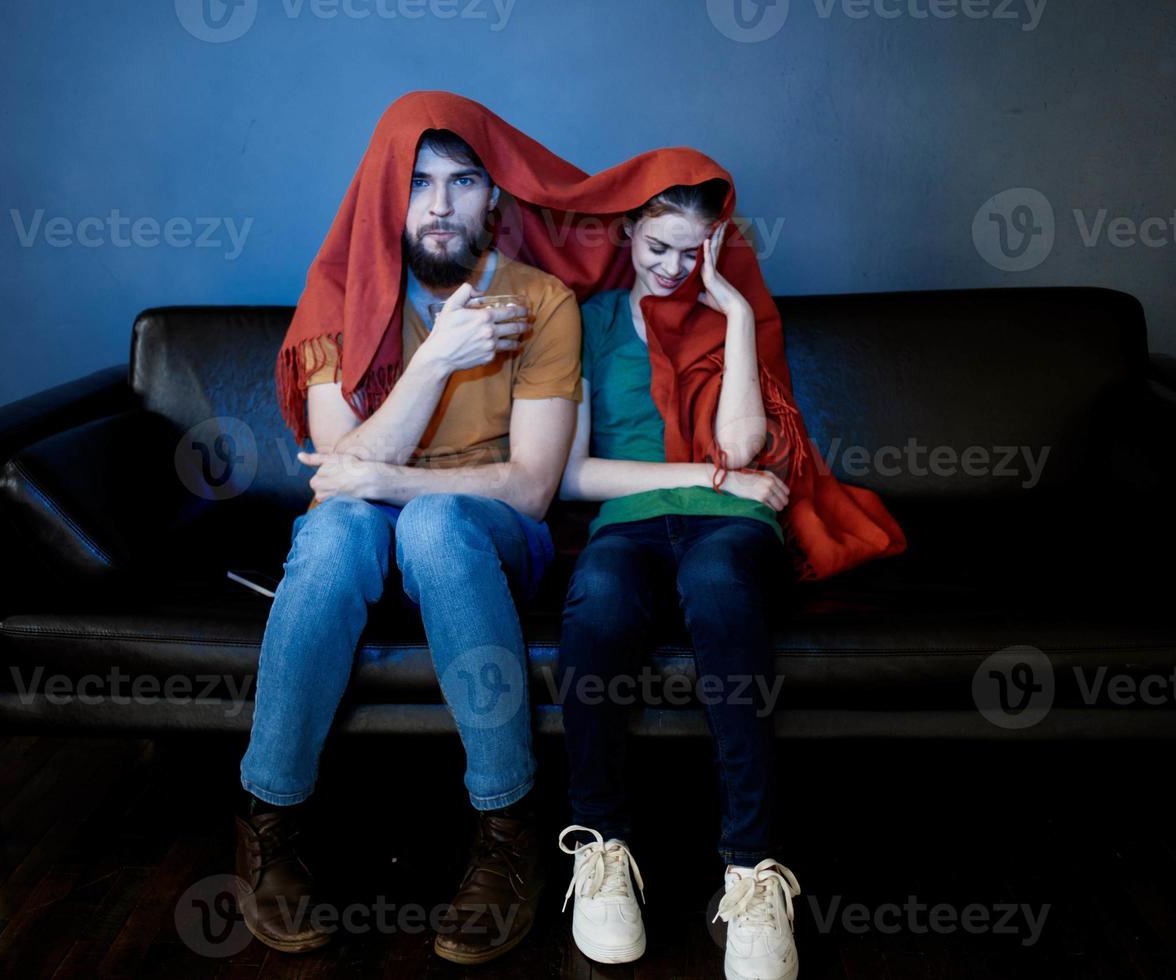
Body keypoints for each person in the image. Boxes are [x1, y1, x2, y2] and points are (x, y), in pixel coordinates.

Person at [236, 126, 582, 964]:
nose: (438, 206)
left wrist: (388, 482)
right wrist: (435, 365)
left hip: (488, 534)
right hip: (361, 529)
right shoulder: (338, 299)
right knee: (335, 534)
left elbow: (534, 487)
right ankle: (269, 822)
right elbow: (333, 483)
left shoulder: (541, 301)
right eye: (419, 183)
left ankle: (506, 829)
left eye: (462, 183)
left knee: (429, 523)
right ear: (388, 195)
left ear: (493, 198)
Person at [554, 180, 803, 980]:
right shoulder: (588, 322)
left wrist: (731, 312)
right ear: (627, 231)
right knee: (597, 601)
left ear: (717, 247)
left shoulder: (735, 316)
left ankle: (751, 870)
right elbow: (574, 473)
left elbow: (745, 442)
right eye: (654, 245)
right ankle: (600, 846)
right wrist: (709, 476)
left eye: (690, 251)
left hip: (730, 525)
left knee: (722, 585)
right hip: (629, 521)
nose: (669, 266)